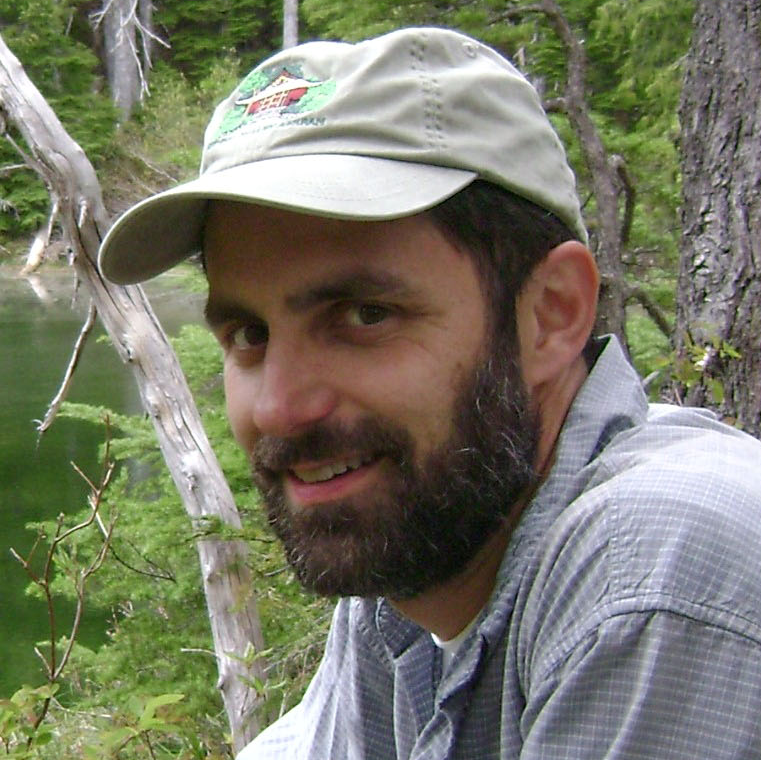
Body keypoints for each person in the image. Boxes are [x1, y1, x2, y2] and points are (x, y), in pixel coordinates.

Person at [98, 27, 761, 760]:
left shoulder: (659, 570)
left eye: (364, 315)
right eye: (249, 334)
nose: (279, 407)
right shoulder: (427, 547)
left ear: (551, 315)